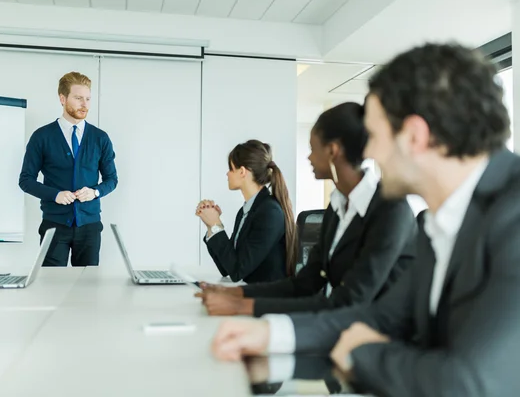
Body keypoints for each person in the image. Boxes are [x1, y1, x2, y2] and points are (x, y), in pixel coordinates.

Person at [211, 43, 519, 397]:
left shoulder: (511, 217)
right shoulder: (444, 219)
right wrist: (271, 333)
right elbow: (383, 316)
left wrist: (360, 353)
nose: (367, 152)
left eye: (374, 136)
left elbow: (470, 382)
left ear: (415, 137)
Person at [196, 102, 416, 316]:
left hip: (377, 338)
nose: (309, 157)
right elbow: (304, 284)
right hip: (341, 327)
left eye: (313, 149)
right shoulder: (336, 208)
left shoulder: (391, 210)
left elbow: (351, 300)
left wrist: (242, 306)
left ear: (333, 150)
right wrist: (234, 293)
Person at [19, 71, 118, 267]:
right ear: (62, 99)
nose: (85, 104)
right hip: (54, 226)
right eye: (78, 98)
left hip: (89, 226)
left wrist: (95, 192)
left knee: (88, 290)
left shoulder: (100, 138)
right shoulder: (42, 136)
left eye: (88, 99)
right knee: (52, 288)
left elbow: (112, 179)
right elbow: (26, 179)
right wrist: (55, 195)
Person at [196, 140, 296, 284]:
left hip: (267, 300)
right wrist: (212, 226)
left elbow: (237, 271)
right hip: (252, 294)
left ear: (242, 171)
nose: (227, 174)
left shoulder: (270, 212)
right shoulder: (246, 211)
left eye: (231, 169)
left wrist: (216, 225)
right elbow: (227, 268)